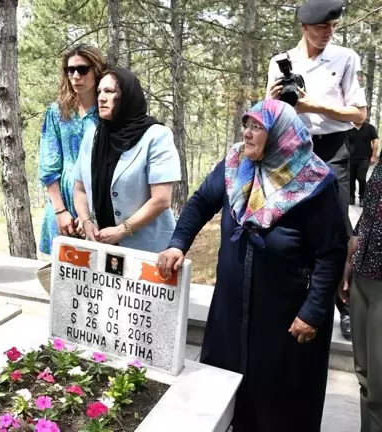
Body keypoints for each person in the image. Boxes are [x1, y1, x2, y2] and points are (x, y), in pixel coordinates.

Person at [157, 100, 347, 432]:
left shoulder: (314, 181)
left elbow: (331, 252)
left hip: (285, 319)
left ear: (280, 135)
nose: (246, 133)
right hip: (231, 311)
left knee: (278, 407)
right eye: (246, 124)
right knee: (225, 395)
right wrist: (178, 243)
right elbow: (201, 201)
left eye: (257, 127)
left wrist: (313, 311)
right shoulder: (235, 164)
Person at [266, 0, 367, 339]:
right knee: (287, 222)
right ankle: (292, 297)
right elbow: (271, 112)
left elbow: (358, 115)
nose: (329, 32)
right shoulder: (281, 63)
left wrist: (311, 105)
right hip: (291, 150)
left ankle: (347, 307)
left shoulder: (346, 58)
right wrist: (272, 100)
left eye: (333, 26)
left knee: (338, 226)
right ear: (304, 27)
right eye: (322, 26)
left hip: (332, 148)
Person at [73, 67, 181, 253]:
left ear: (127, 95)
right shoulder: (93, 135)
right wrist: (86, 221)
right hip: (100, 246)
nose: (101, 97)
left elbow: (161, 200)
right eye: (99, 91)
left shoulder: (156, 136)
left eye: (109, 91)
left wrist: (122, 231)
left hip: (147, 249)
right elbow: (80, 188)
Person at [38, 44, 106, 255]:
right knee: (58, 274)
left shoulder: (107, 111)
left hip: (99, 198)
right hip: (62, 200)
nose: (76, 75)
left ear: (96, 70)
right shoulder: (57, 112)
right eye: (70, 70)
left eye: (83, 69)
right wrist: (60, 210)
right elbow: (49, 165)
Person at [341, 159, 382, 432]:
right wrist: (349, 258)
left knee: (380, 386)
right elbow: (369, 212)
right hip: (362, 273)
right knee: (365, 376)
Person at [349, 120, 379, 206]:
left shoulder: (370, 128)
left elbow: (375, 141)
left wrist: (373, 156)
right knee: (351, 178)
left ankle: (362, 197)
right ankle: (351, 197)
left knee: (361, 177)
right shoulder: (349, 127)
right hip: (350, 158)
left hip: (365, 158)